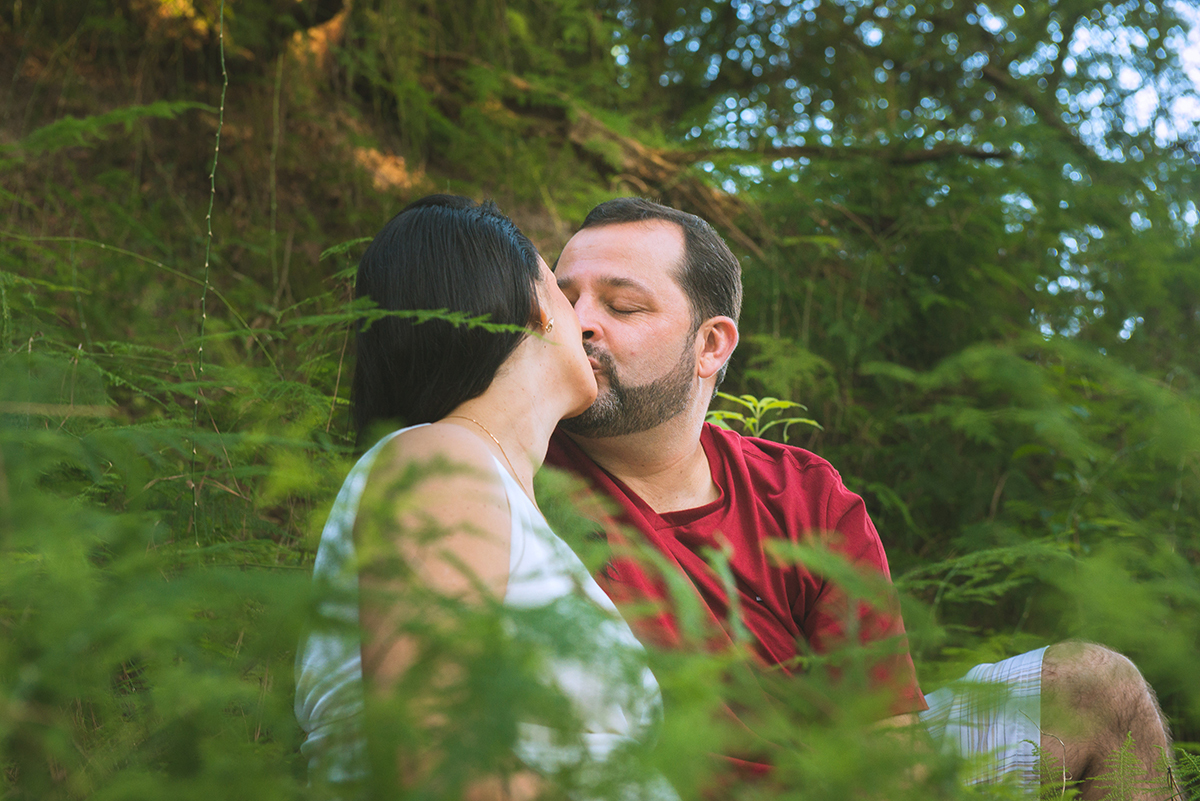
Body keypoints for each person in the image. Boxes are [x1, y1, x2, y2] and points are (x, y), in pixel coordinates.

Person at [546, 196, 1175, 799]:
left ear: (711, 345)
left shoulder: (803, 493)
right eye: (562, 298)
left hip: (838, 782)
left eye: (622, 306)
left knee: (1099, 686)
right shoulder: (504, 466)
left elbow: (883, 737)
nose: (578, 323)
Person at [294, 195, 676, 801]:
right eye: (561, 289)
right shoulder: (439, 463)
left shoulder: (491, 489)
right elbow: (439, 757)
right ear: (534, 306)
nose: (584, 320)